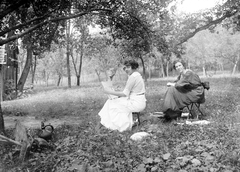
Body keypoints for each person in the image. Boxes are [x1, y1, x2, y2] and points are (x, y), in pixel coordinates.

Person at [97, 59, 146, 132]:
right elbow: (129, 91)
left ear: (133, 67)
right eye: (125, 68)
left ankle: (118, 126)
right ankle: (109, 124)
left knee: (111, 102)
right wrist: (116, 91)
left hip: (136, 103)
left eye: (128, 67)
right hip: (138, 101)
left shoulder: (133, 77)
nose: (126, 69)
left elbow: (124, 94)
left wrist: (108, 91)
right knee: (113, 101)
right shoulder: (137, 75)